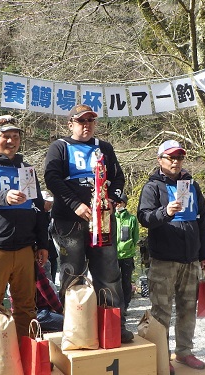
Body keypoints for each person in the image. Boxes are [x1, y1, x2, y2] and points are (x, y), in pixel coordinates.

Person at [44, 104, 133, 343]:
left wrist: (111, 200)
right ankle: (75, 329)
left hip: (102, 220)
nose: (87, 125)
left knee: (109, 273)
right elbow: (51, 178)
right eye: (82, 121)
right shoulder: (59, 147)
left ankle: (115, 326)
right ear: (70, 124)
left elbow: (118, 177)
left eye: (91, 121)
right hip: (69, 220)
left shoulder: (104, 147)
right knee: (72, 274)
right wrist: (75, 204)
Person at [0, 114, 49, 375]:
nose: (11, 140)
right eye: (5, 136)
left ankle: (26, 354)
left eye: (15, 136)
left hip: (26, 248)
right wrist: (5, 196)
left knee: (26, 306)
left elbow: (38, 208)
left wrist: (43, 243)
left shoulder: (27, 169)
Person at [137, 140, 205, 374]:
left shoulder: (192, 185)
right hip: (164, 259)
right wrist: (165, 212)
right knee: (161, 311)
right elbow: (144, 218)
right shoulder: (152, 187)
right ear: (160, 159)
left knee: (188, 308)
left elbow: (202, 222)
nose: (176, 161)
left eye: (180, 157)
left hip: (190, 258)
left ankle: (184, 352)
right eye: (171, 157)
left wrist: (204, 255)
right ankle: (161, 356)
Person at [115, 193, 139, 311]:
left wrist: (129, 248)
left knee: (126, 281)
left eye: (120, 202)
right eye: (116, 202)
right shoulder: (110, 217)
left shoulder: (132, 219)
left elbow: (135, 237)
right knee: (114, 281)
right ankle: (115, 305)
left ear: (124, 203)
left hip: (127, 255)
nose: (117, 204)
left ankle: (125, 305)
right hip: (113, 255)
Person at [35, 262, 64, 332]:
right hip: (38, 313)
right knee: (69, 323)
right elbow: (47, 293)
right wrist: (61, 310)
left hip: (29, 313)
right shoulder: (34, 267)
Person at [41, 190, 59, 283]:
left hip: (52, 254)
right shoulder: (36, 216)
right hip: (42, 254)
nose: (50, 204)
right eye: (48, 202)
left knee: (52, 281)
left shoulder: (51, 215)